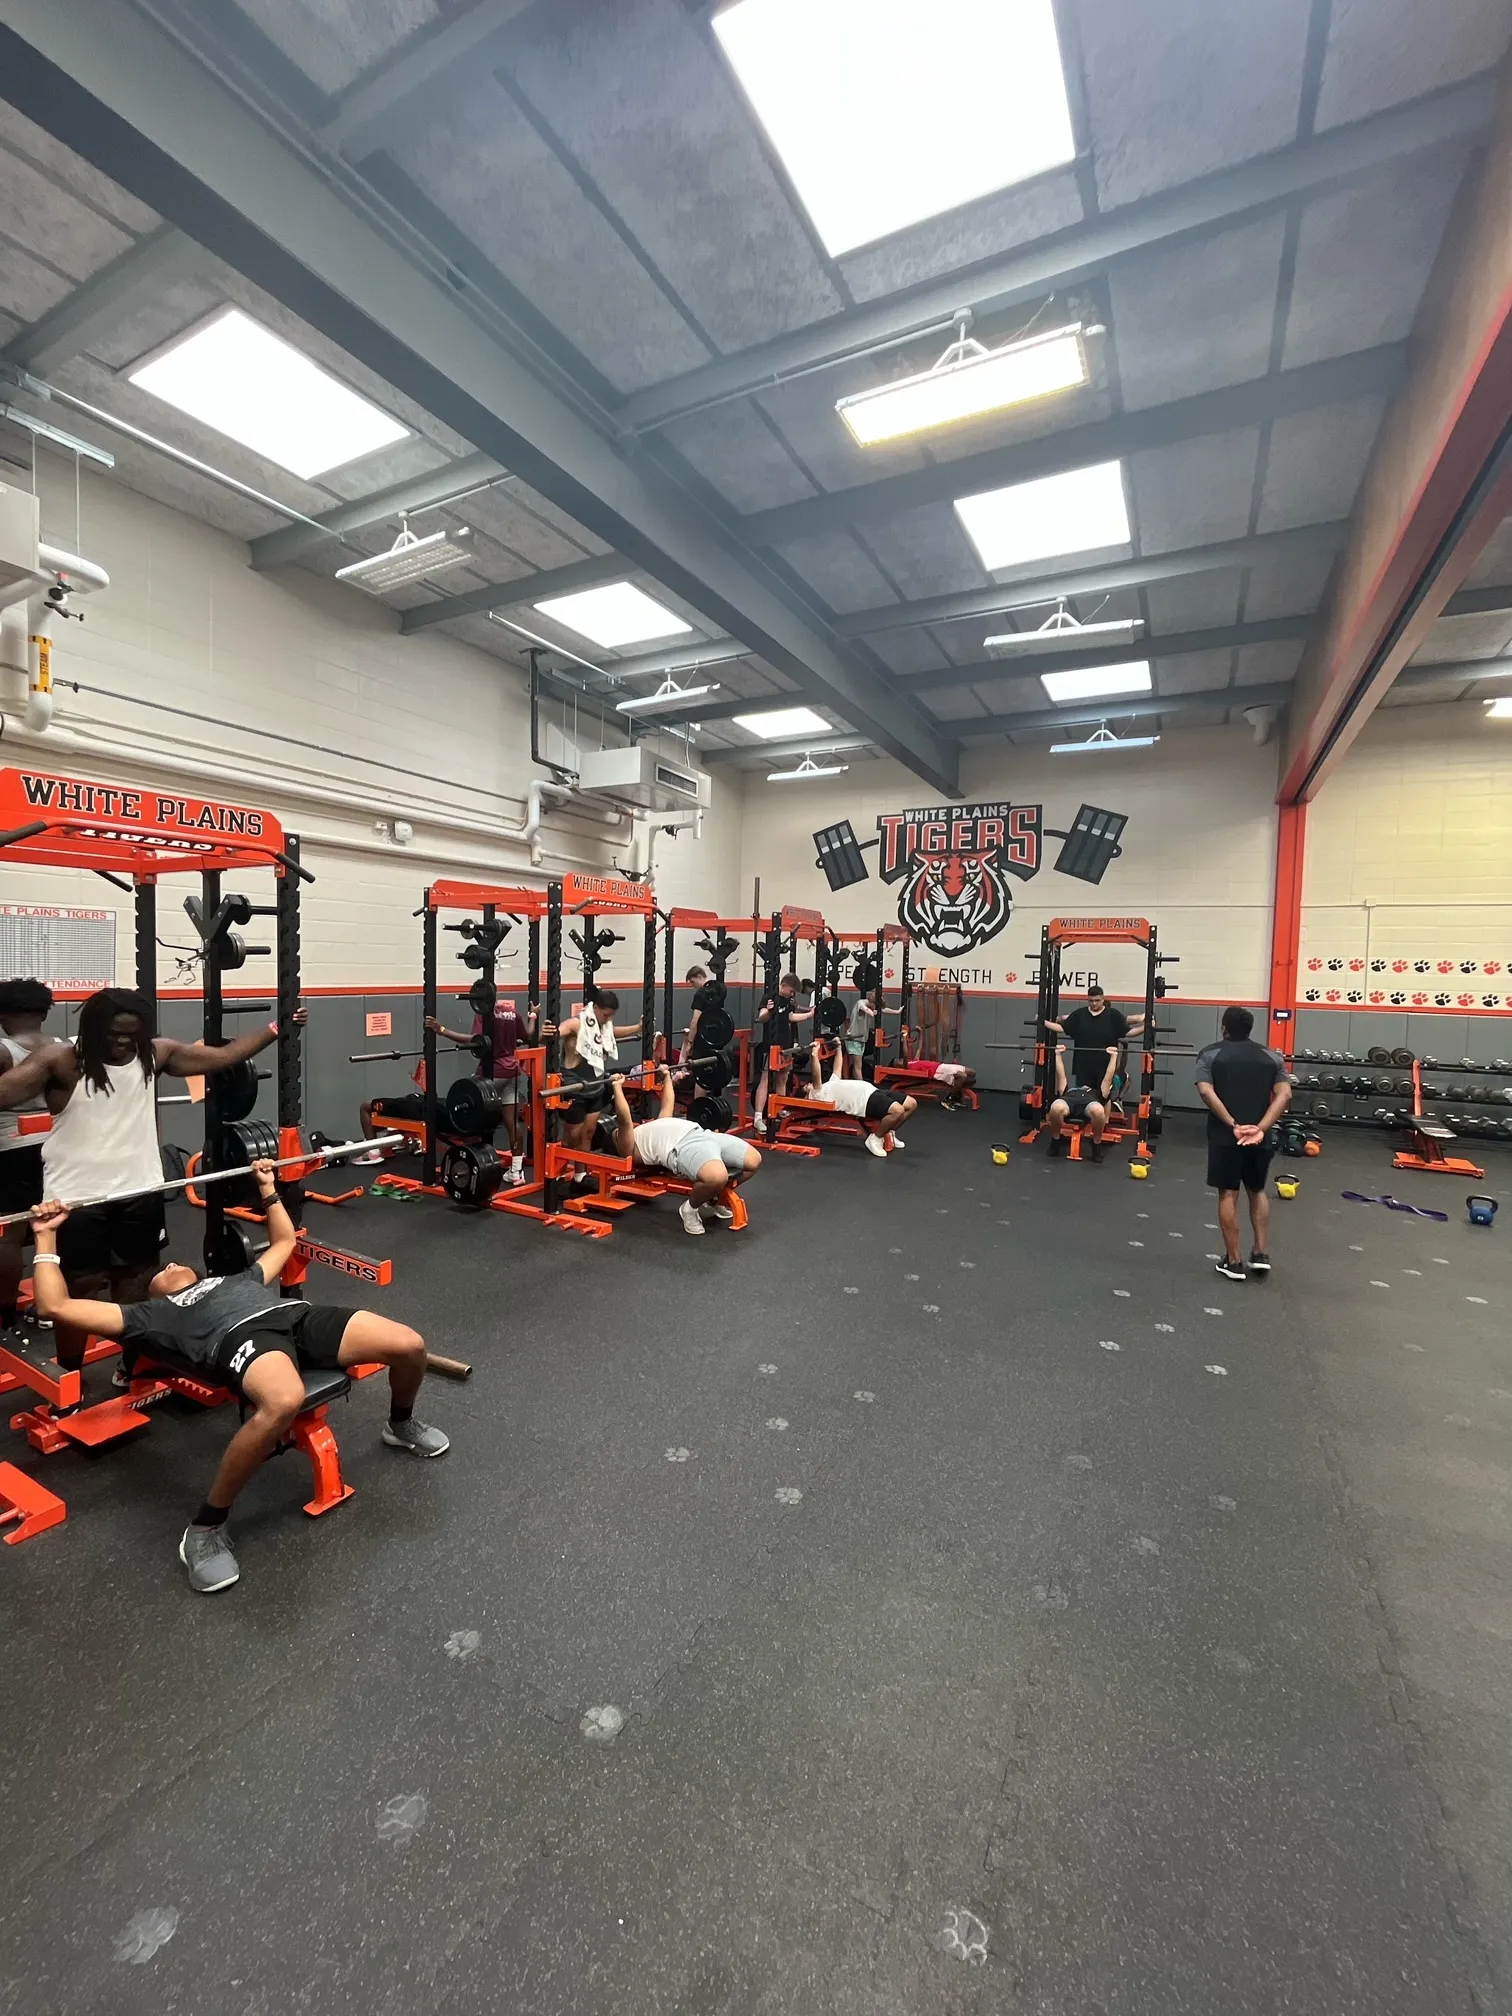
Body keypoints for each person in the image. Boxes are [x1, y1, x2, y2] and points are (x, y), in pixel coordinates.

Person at [28, 1163, 448, 1593]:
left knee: (409, 1344)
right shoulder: (146, 1315)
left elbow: (285, 1241)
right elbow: (55, 1306)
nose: (171, 1262)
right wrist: (46, 1236)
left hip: (295, 1318)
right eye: (160, 1271)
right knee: (284, 1400)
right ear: (152, 1291)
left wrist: (267, 1188)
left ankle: (400, 1424)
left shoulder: (237, 1279)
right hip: (236, 1340)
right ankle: (205, 1529)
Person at [0, 986, 303, 1374]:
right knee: (81, 1289)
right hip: (76, 1198)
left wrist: (277, 1027)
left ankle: (132, 1366)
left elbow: (224, 1057)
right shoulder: (61, 1059)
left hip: (141, 1189)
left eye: (131, 1034)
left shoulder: (155, 1054)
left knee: (137, 1283)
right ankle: (71, 1376)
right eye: (114, 1034)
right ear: (93, 1029)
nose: (123, 1042)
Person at [1195, 1006, 1294, 1280]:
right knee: (1257, 1190)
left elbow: (1205, 1091)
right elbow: (1285, 1095)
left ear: (1224, 1028)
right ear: (1250, 1029)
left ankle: (1234, 1261)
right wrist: (1261, 1128)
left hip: (1226, 1137)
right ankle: (1260, 1254)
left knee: (1228, 1193)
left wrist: (1233, 1125)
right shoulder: (1271, 1057)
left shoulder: (1210, 1054)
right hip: (1260, 1138)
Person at [609, 1064, 761, 1236]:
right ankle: (690, 1209)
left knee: (754, 1160)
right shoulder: (628, 1147)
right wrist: (617, 1088)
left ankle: (713, 1197)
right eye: (615, 1133)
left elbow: (667, 1103)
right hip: (681, 1147)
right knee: (717, 1177)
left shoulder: (654, 1125)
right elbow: (625, 1121)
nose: (617, 1131)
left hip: (703, 1134)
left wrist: (666, 1076)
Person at [426, 993, 538, 1184]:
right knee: (512, 1122)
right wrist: (533, 1016)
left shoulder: (484, 1015)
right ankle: (517, 1171)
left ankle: (476, 1160)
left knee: (470, 1112)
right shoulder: (512, 1013)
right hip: (512, 1073)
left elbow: (474, 1040)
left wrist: (441, 1029)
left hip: (491, 1073)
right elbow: (528, 1036)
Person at [0, 978, 54, 1331]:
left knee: (9, 1232)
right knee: (49, 1227)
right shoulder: (61, 1047)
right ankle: (52, 1305)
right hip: (55, 1148)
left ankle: (4, 1312)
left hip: (11, 1151)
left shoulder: (3, 1050)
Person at [552, 988, 642, 1162]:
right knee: (572, 1138)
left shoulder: (604, 1027)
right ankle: (558, 1177)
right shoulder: (576, 1024)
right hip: (576, 1086)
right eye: (606, 1015)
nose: (609, 1019)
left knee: (588, 1134)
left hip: (595, 1087)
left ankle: (580, 1177)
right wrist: (549, 1033)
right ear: (597, 1009)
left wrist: (638, 1027)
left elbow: (614, 1031)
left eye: (611, 1016)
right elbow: (558, 1032)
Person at [806, 1043, 917, 1159]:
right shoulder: (817, 1094)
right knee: (898, 1111)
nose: (808, 1084)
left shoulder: (829, 1084)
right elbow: (815, 1075)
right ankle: (875, 1139)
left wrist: (839, 1047)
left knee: (912, 1104)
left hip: (873, 1090)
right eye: (806, 1087)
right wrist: (814, 1054)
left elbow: (837, 1067)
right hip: (864, 1101)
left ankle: (888, 1131)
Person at [753, 973, 813, 1132]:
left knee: (783, 1077)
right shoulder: (769, 997)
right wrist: (770, 1012)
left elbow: (790, 1017)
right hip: (770, 1045)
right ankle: (758, 1117)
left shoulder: (788, 1000)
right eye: (791, 990)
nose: (792, 994)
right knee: (765, 1079)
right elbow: (762, 1018)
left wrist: (809, 1015)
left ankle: (780, 1108)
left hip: (785, 1046)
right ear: (784, 985)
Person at [1045, 1040, 1117, 1161]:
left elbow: (1108, 1077)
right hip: (1069, 1102)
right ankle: (1055, 1140)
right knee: (1055, 1107)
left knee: (1098, 1110)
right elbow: (1060, 1073)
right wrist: (1057, 1054)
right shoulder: (1070, 1089)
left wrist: (1114, 1056)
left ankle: (1096, 1145)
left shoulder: (1098, 1092)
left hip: (1089, 1104)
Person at [841, 981, 901, 1079]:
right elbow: (864, 1009)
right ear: (873, 1003)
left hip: (861, 1039)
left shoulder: (872, 1006)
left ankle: (856, 1083)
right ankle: (862, 1087)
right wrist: (871, 1012)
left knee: (858, 1066)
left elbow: (883, 1010)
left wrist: (897, 1011)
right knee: (858, 1066)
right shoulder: (861, 1003)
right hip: (854, 1039)